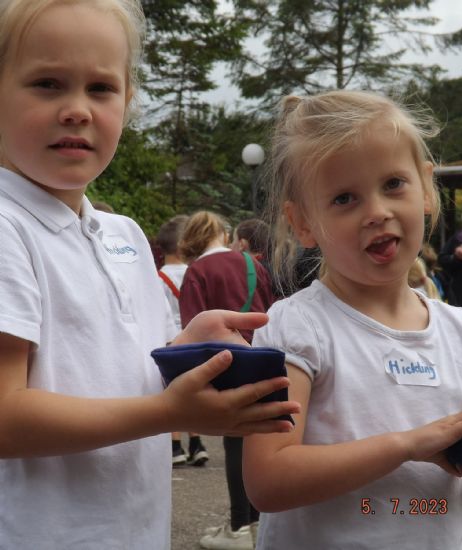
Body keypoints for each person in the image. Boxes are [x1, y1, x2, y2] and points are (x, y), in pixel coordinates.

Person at [0, 2, 300, 548]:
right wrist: (167, 412)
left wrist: (187, 350)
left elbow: (123, 373)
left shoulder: (126, 236)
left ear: (128, 101)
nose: (77, 110)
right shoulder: (6, 227)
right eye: (47, 84)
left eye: (100, 88)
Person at [242, 90, 462, 550]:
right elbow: (267, 481)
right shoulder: (298, 328)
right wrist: (408, 445)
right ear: (303, 223)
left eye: (394, 184)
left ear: (427, 188)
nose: (377, 212)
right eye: (344, 198)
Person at [179, 211, 275, 550]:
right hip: (261, 353)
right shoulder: (251, 263)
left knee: (235, 440)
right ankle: (258, 522)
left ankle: (238, 527)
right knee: (257, 438)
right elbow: (269, 307)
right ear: (223, 233)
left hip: (224, 361)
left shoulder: (197, 271)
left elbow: (191, 328)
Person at [156, 215, 209, 467]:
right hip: (193, 336)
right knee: (192, 389)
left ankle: (175, 446)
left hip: (170, 339)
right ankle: (197, 442)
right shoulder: (193, 272)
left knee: (171, 388)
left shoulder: (157, 278)